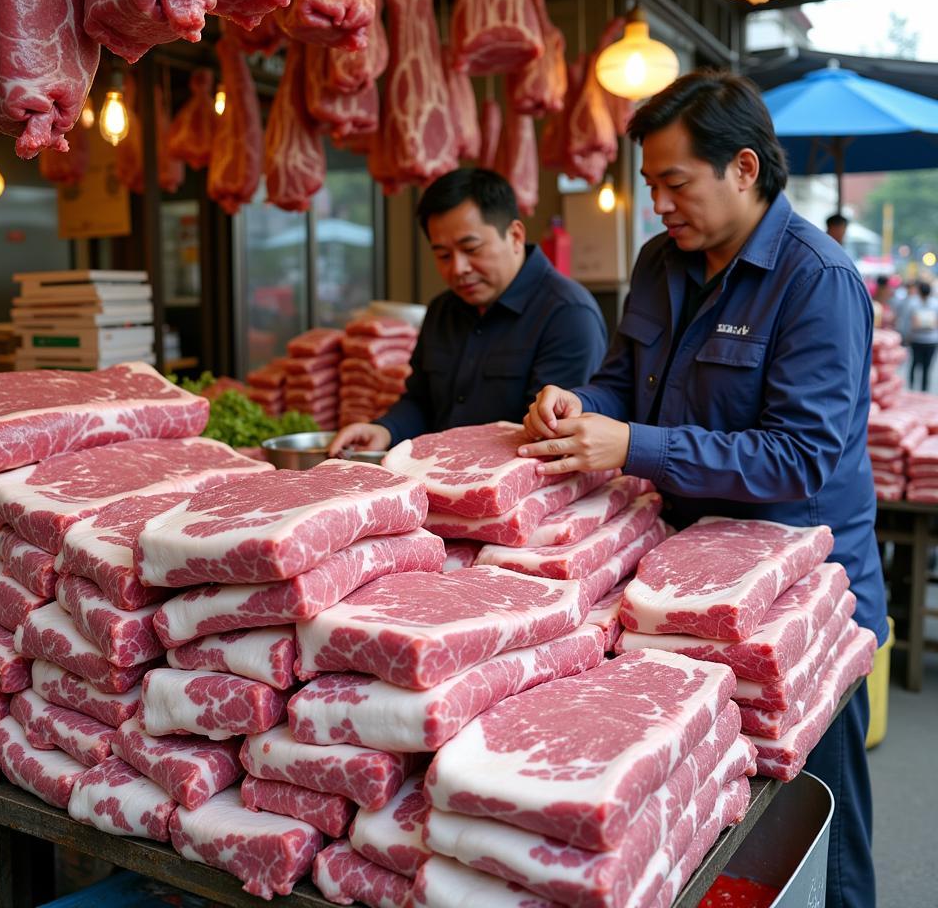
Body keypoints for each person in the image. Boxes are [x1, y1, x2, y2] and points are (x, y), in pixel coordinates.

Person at [520, 70, 886, 908]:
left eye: (675, 183)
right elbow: (620, 378)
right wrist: (584, 406)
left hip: (799, 601)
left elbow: (801, 457)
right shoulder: (660, 262)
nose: (659, 204)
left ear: (745, 169)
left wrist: (635, 444)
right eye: (650, 184)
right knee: (707, 816)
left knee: (813, 818)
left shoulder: (817, 281)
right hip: (683, 585)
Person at [328, 168, 608, 455]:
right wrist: (386, 429)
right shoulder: (442, 310)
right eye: (443, 256)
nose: (458, 268)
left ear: (514, 235)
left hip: (517, 489)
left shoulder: (568, 314)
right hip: (443, 481)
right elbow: (422, 402)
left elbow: (548, 435)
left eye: (471, 249)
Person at [902, 279, 938, 390]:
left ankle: (912, 387)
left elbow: (906, 321)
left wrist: (906, 336)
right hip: (931, 340)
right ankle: (924, 389)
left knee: (914, 364)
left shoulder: (912, 302)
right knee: (927, 367)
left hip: (916, 338)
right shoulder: (936, 304)